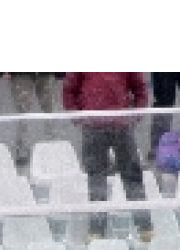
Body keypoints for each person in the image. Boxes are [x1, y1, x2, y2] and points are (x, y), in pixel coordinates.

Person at [62, 72, 152, 240]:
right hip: (93, 129)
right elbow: (69, 90)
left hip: (122, 128)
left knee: (132, 176)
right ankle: (97, 230)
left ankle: (144, 227)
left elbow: (140, 88)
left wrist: (134, 116)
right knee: (96, 179)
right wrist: (79, 118)